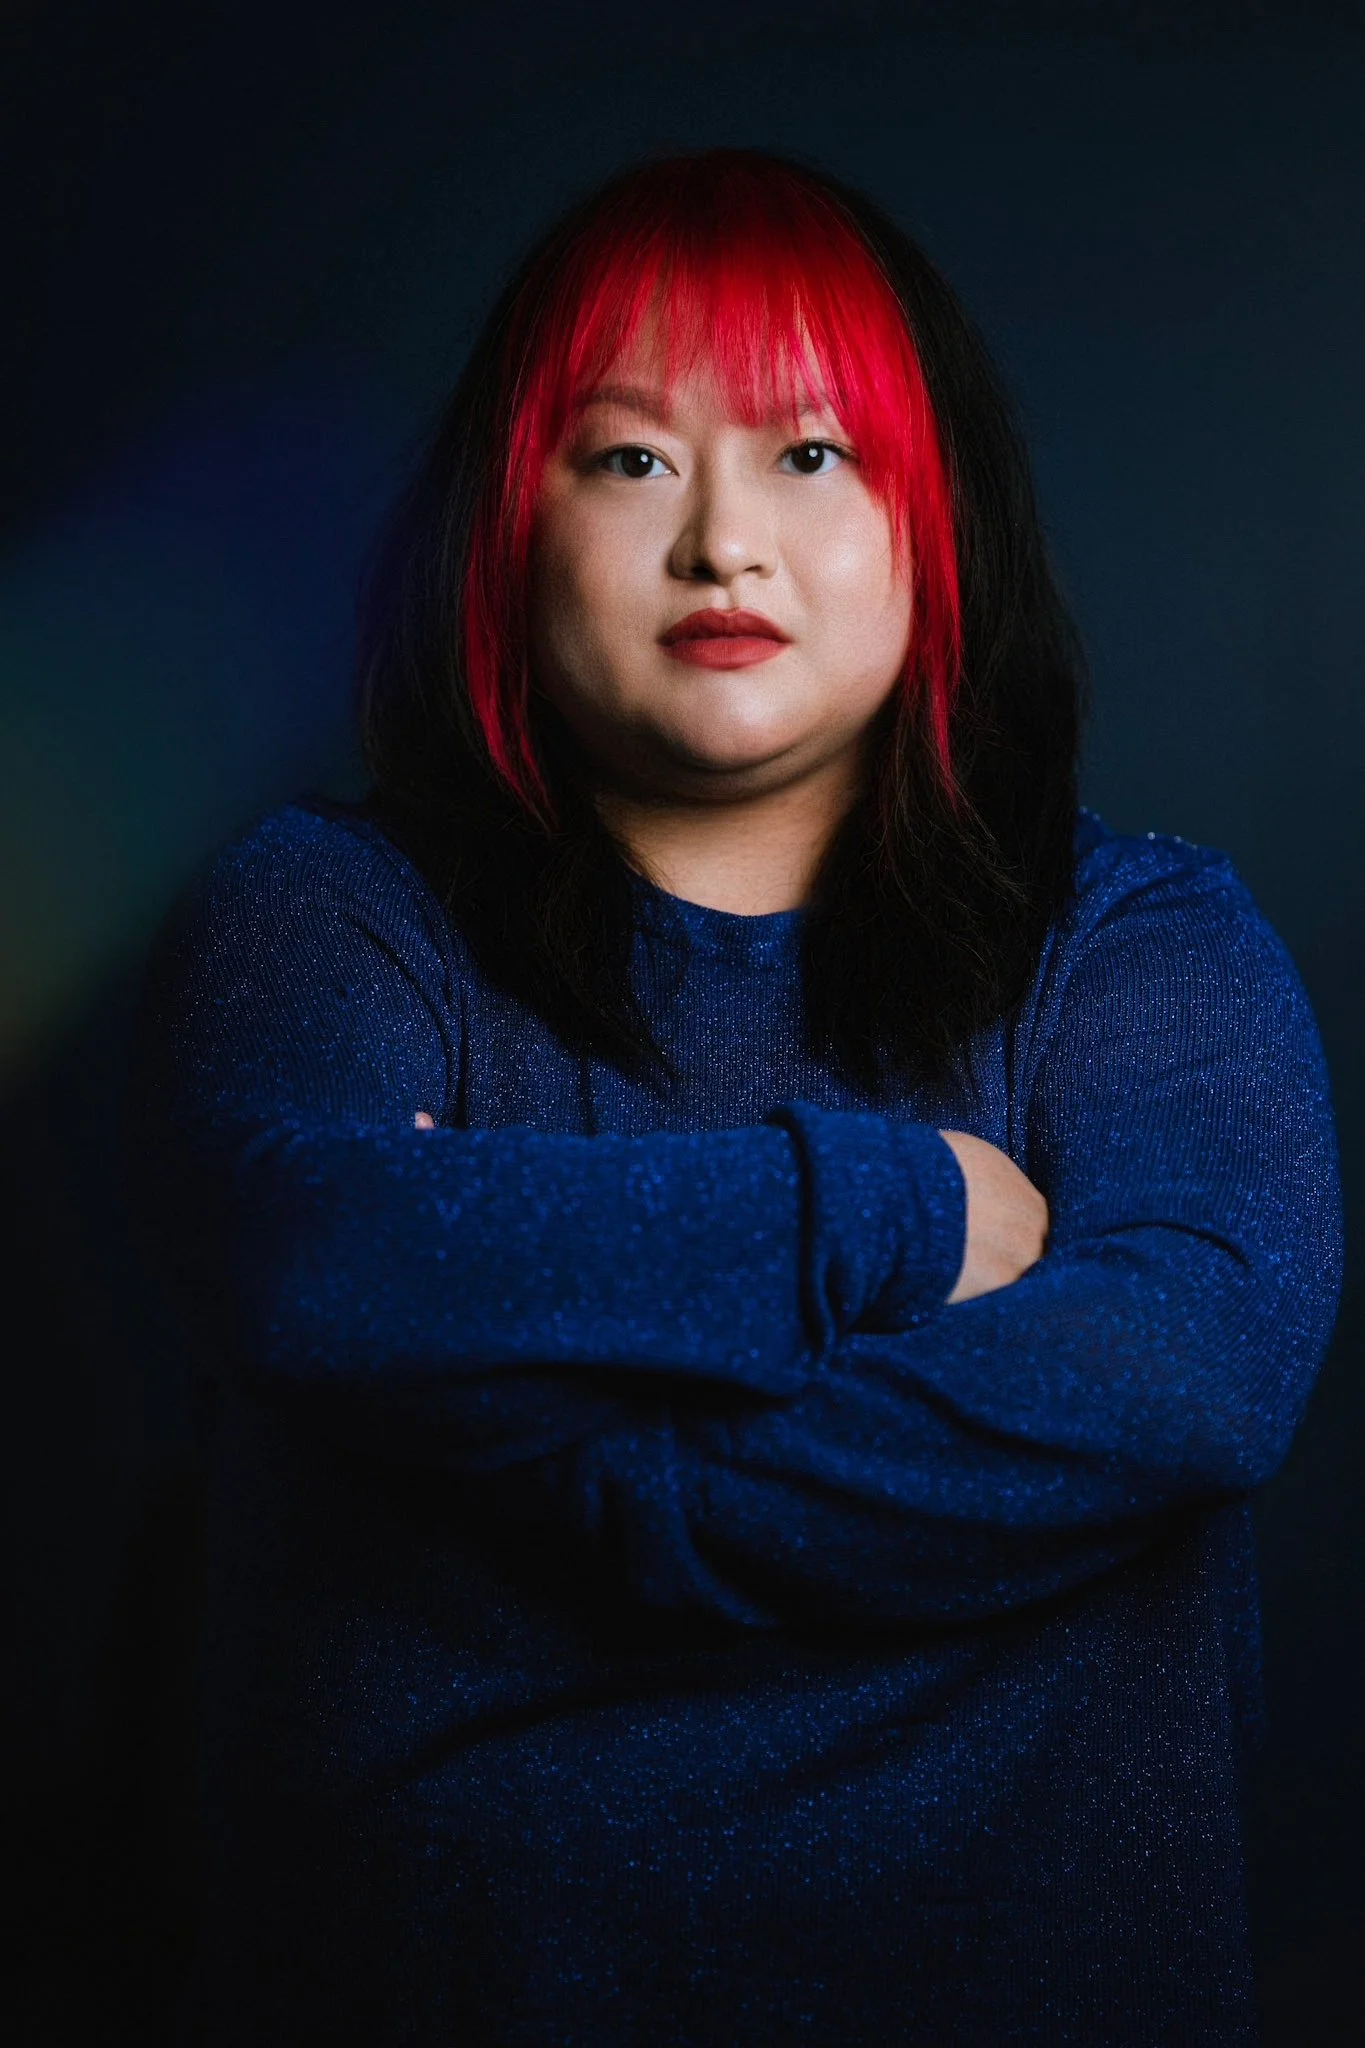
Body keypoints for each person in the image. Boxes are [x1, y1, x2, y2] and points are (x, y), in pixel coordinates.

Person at [131, 148, 1343, 2045]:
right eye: (629, 457)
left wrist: (584, 1467)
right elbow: (308, 1254)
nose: (720, 543)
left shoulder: (1141, 944)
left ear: (935, 520)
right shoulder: (326, 917)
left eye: (812, 453)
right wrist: (894, 1210)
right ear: (507, 526)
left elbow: (1188, 1367)